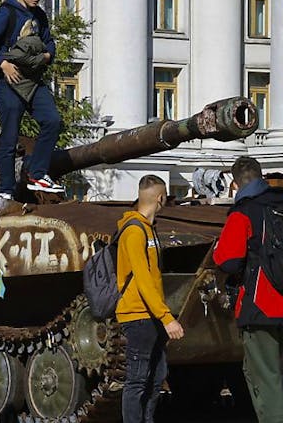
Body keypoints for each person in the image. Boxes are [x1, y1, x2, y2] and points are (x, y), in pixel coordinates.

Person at [214, 157, 283, 422]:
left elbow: (229, 261)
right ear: (261, 176)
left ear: (235, 184)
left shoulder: (243, 212)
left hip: (261, 306)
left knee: (265, 377)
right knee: (282, 373)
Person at [0, 0, 65, 199]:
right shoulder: (7, 13)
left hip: (32, 80)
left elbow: (49, 42)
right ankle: (6, 190)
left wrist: (47, 56)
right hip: (9, 80)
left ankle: (38, 174)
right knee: (10, 136)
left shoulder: (40, 16)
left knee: (52, 121)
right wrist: (1, 63)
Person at [116, 175, 184, 423]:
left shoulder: (148, 230)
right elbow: (143, 280)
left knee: (156, 378)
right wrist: (167, 317)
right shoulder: (134, 231)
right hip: (138, 315)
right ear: (160, 197)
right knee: (137, 380)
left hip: (151, 315)